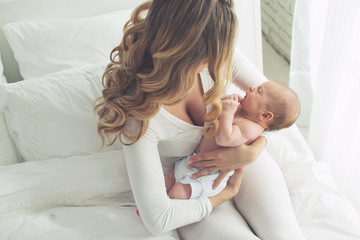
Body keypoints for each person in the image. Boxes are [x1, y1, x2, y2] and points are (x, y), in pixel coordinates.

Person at [95, 0, 306, 239]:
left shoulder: (219, 52)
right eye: (214, 53)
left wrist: (254, 150)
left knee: (287, 235)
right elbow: (157, 218)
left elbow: (279, 112)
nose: (221, 58)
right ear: (185, 49)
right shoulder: (140, 114)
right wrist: (224, 194)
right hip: (190, 186)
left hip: (245, 166)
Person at [166, 81, 300, 200]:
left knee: (176, 193)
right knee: (166, 182)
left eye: (259, 91)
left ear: (265, 115)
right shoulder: (245, 111)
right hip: (193, 161)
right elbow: (215, 111)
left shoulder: (250, 128)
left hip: (209, 175)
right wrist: (227, 103)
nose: (252, 87)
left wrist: (228, 112)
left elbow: (224, 138)